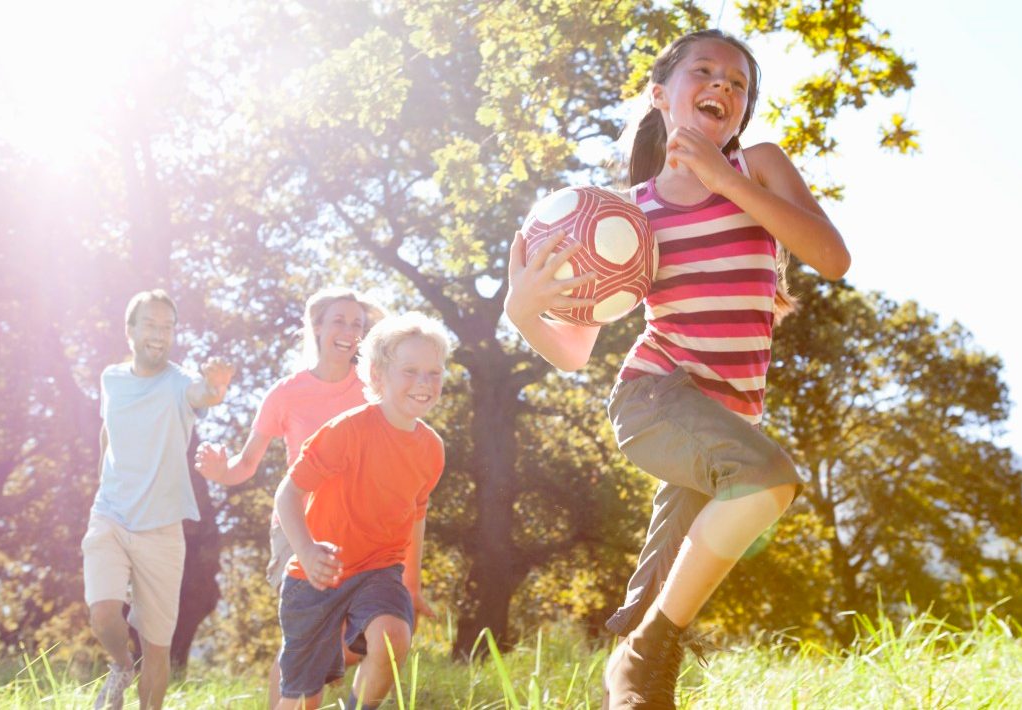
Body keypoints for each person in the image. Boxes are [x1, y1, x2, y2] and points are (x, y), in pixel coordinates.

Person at [504, 29, 851, 708]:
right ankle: (642, 658)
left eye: (738, 83)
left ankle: (636, 672)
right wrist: (523, 313)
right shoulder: (626, 215)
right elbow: (575, 352)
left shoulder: (758, 167)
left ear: (742, 113)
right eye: (705, 72)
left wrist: (722, 176)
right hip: (655, 399)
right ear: (661, 96)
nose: (722, 85)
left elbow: (832, 259)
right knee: (767, 481)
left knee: (654, 615)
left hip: (723, 425)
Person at [195, 287, 385, 708]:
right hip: (296, 528)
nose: (349, 331)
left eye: (357, 324)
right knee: (305, 636)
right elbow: (246, 464)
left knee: (344, 642)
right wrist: (218, 472)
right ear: (316, 327)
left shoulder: (373, 390)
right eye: (339, 320)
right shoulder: (286, 393)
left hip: (355, 531)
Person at [272, 312, 450, 710]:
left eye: (433, 373)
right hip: (316, 575)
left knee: (393, 637)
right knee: (303, 699)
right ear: (377, 374)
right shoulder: (346, 431)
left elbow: (416, 515)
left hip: (378, 569)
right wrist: (306, 550)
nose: (424, 383)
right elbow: (287, 494)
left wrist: (412, 583)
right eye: (410, 371)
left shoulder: (431, 449)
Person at [83, 289, 234, 710]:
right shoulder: (111, 378)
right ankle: (119, 665)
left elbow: (203, 394)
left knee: (157, 647)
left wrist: (216, 386)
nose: (160, 334)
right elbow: (106, 432)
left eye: (167, 327)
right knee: (103, 614)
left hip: (162, 528)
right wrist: (102, 484)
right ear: (129, 330)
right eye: (150, 324)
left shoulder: (179, 382)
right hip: (110, 514)